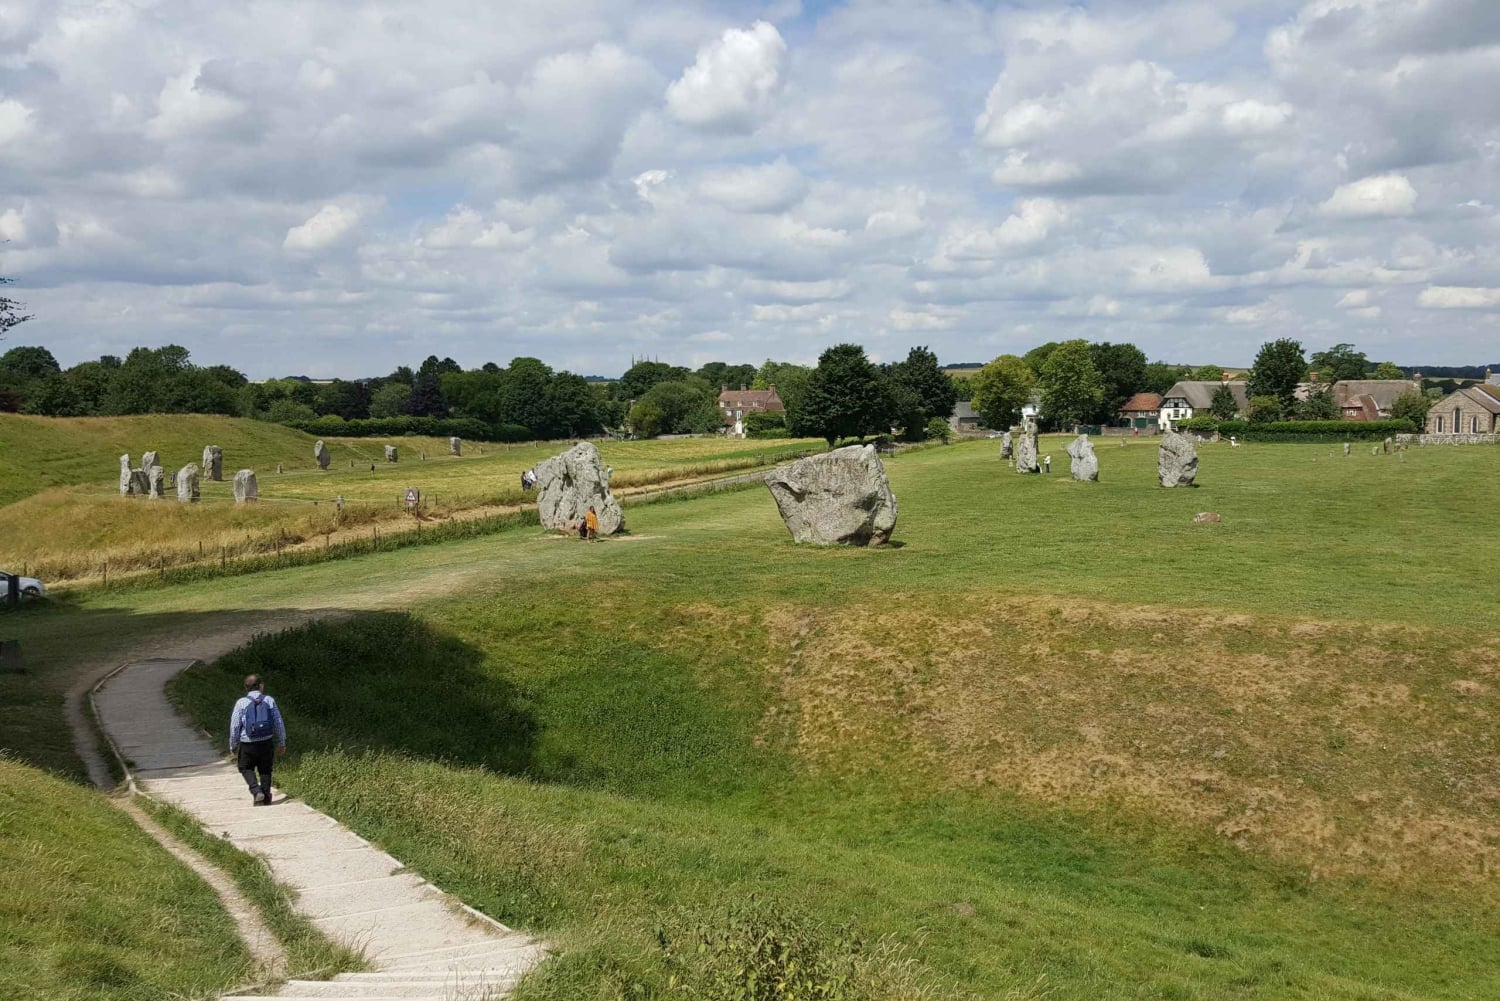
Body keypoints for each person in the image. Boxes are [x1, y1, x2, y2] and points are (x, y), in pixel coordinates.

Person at [229, 674, 286, 806]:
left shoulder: (241, 702)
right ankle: (266, 798)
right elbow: (278, 722)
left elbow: (235, 725)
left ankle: (256, 791)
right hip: (266, 741)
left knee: (245, 767)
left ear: (246, 687)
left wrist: (233, 744)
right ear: (260, 685)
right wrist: (282, 742)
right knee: (265, 769)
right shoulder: (269, 700)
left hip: (248, 743)